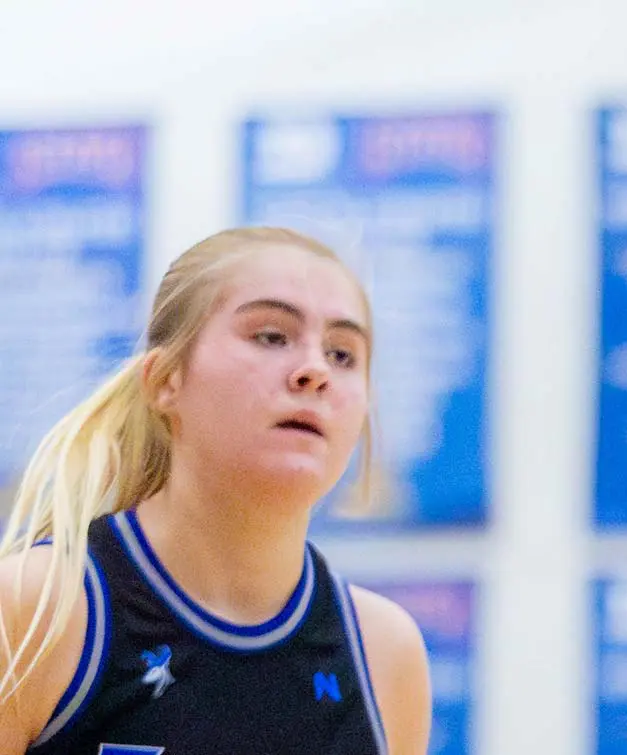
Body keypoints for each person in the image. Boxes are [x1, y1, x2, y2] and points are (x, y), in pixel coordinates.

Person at [0, 228, 431, 754]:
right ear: (165, 381)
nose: (315, 371)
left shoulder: (385, 652)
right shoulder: (36, 607)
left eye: (343, 354)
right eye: (272, 336)